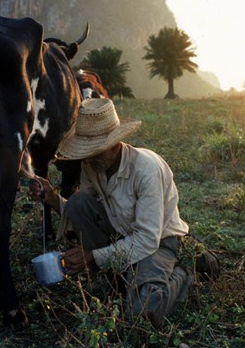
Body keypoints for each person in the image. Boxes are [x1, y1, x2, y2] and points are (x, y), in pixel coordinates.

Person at [29, 98, 218, 327]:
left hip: (160, 241)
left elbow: (147, 239)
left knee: (144, 311)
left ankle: (186, 270)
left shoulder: (146, 169)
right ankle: (116, 275)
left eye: (96, 151)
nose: (89, 157)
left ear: (116, 145)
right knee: (78, 203)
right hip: (122, 235)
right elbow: (86, 210)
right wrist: (51, 198)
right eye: (87, 152)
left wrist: (93, 257)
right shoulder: (92, 165)